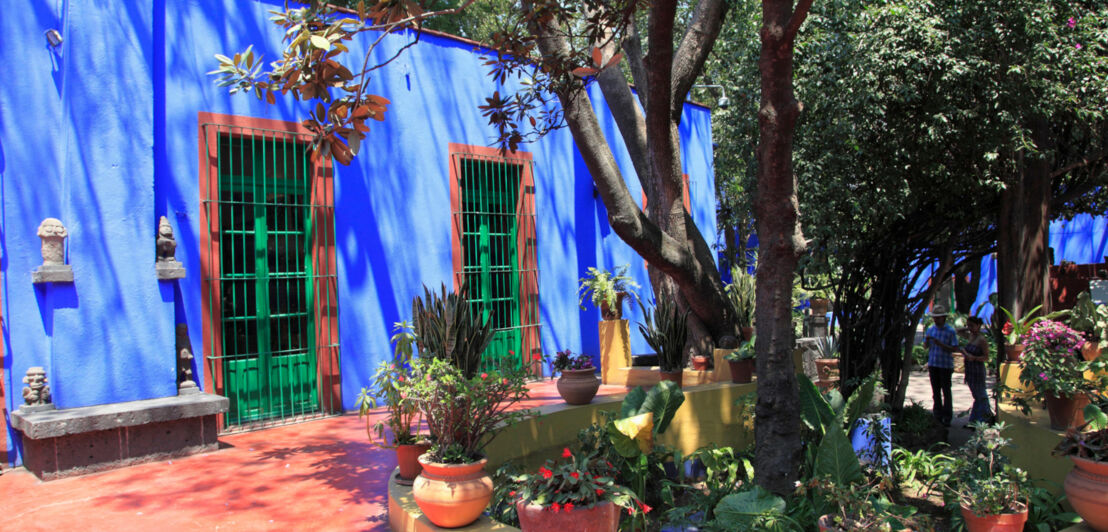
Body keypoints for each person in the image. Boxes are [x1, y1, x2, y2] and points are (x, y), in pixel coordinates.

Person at [923, 311, 959, 426]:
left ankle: (947, 417)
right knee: (935, 391)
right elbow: (925, 346)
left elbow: (954, 348)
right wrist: (927, 341)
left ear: (943, 317)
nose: (935, 320)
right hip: (933, 364)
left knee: (946, 391)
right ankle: (937, 415)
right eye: (934, 317)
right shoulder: (930, 329)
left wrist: (940, 344)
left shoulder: (950, 331)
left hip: (945, 365)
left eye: (938, 317)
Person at [961, 316, 994, 426]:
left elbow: (986, 357)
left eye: (972, 326)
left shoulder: (981, 340)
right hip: (969, 371)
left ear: (978, 326)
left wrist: (974, 358)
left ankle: (983, 419)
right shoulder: (970, 336)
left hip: (977, 370)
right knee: (976, 396)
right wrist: (968, 328)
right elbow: (957, 331)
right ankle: (975, 420)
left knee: (981, 395)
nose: (970, 328)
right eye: (968, 325)